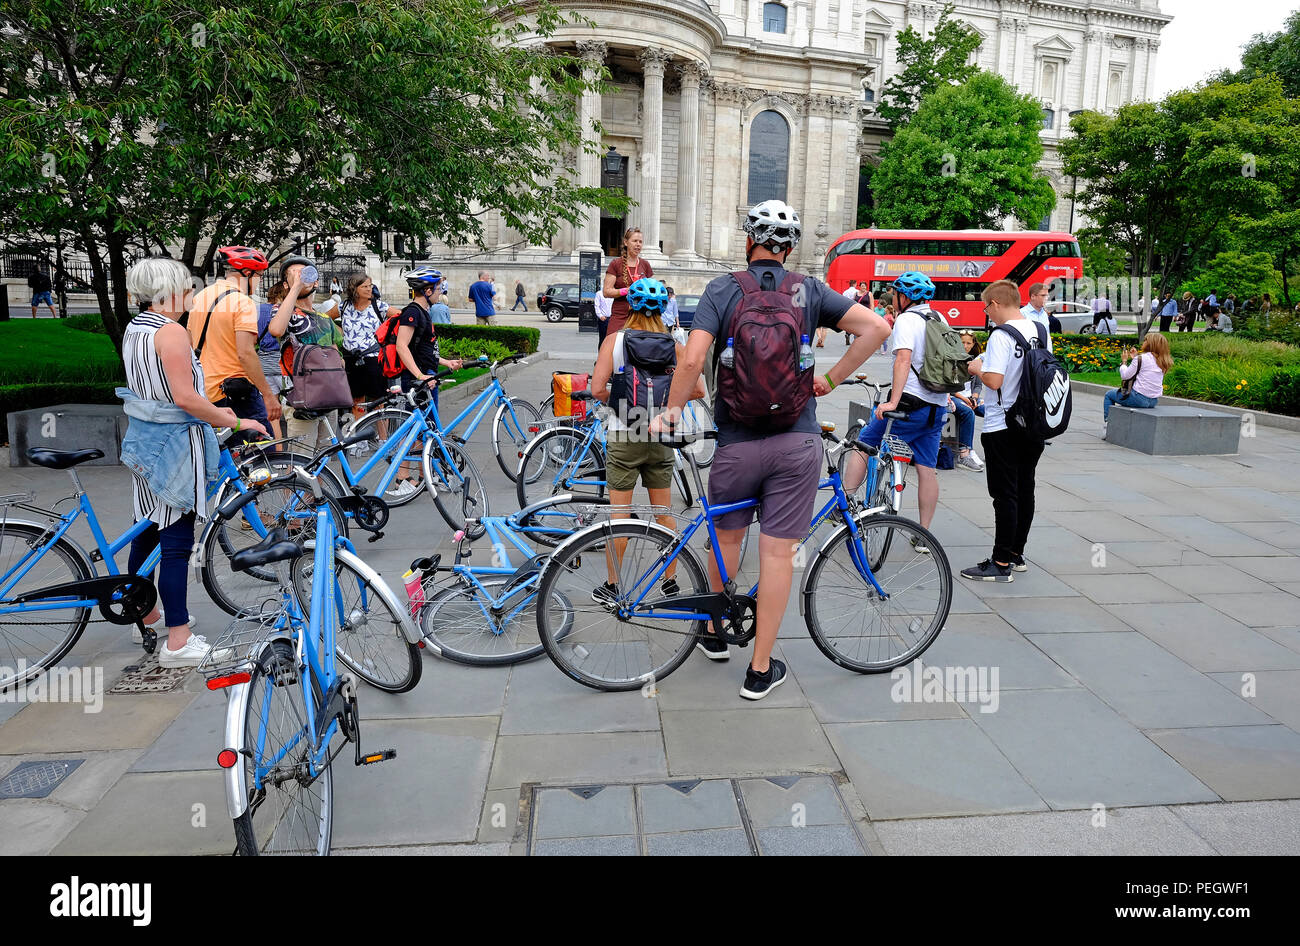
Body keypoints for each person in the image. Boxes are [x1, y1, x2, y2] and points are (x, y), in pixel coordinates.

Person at [654, 199, 889, 700]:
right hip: (796, 438)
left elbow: (693, 358)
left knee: (727, 538)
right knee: (778, 554)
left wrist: (672, 411)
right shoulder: (809, 291)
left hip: (737, 439)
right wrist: (829, 379)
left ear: (748, 242)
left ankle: (715, 634)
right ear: (790, 249)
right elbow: (877, 329)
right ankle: (759, 669)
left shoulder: (722, 289)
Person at [121, 257, 267, 666]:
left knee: (148, 530)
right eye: (185, 288)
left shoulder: (137, 328)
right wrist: (236, 419)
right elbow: (186, 398)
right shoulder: (170, 332)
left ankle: (144, 615)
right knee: (175, 542)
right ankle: (179, 640)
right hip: (175, 445)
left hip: (146, 441)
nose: (190, 295)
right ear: (168, 292)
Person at [590, 278, 707, 603]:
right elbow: (697, 390)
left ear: (631, 307)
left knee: (620, 515)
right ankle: (670, 579)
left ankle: (613, 586)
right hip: (660, 434)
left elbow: (598, 388)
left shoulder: (615, 341)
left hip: (624, 433)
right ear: (662, 309)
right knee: (662, 511)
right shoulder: (675, 346)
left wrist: (617, 396)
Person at [959, 280, 1051, 583]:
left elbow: (995, 381)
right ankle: (1016, 554)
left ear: (996, 303)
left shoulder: (1001, 335)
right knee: (1026, 488)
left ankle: (999, 563)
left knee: (1004, 495)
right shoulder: (1039, 330)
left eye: (987, 307)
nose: (987, 313)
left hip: (1004, 426)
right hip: (1034, 425)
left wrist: (975, 369)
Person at [852, 271, 950, 539]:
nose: (893, 300)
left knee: (864, 442)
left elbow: (903, 360)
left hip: (910, 404)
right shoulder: (939, 318)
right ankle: (924, 534)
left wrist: (892, 401)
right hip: (936, 405)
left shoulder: (907, 319)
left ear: (904, 297)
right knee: (927, 469)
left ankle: (845, 507)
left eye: (895, 294)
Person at [188, 245, 281, 443]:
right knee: (264, 455)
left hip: (205, 391)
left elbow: (190, 342)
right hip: (236, 394)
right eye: (259, 276)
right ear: (247, 273)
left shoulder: (200, 298)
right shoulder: (242, 302)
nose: (259, 281)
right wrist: (268, 395)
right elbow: (245, 353)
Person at [392, 266, 463, 495]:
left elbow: (425, 349)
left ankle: (427, 476)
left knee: (428, 430)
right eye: (439, 288)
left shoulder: (424, 312)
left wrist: (445, 363)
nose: (441, 293)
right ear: (428, 289)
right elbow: (401, 346)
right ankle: (402, 479)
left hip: (427, 378)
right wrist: (420, 376)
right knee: (413, 430)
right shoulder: (412, 312)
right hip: (417, 381)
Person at [339, 271, 390, 427]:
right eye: (365, 286)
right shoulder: (344, 306)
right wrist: (339, 332)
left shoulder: (378, 306)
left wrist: (385, 335)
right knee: (356, 400)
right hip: (351, 359)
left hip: (374, 358)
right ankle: (358, 440)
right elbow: (324, 318)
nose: (369, 289)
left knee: (378, 400)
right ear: (355, 289)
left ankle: (383, 441)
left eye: (370, 285)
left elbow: (400, 318)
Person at [1103, 333, 1171, 436]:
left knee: (1109, 395)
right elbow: (1147, 370)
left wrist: (1124, 362)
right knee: (1124, 399)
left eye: (1145, 340)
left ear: (1150, 344)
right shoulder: (1163, 361)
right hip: (1153, 401)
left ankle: (1108, 425)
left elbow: (1125, 375)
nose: (1143, 342)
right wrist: (1135, 357)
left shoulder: (1142, 359)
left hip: (1138, 398)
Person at [603, 227, 653, 339]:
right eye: (635, 241)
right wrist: (627, 290)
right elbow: (606, 292)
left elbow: (652, 290)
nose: (638, 244)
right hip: (620, 316)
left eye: (640, 242)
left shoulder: (645, 265)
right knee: (612, 348)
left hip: (641, 316)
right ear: (626, 242)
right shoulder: (616, 264)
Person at [950, 331, 984, 472]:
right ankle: (965, 453)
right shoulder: (952, 359)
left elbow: (977, 385)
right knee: (968, 412)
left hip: (970, 398)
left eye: (968, 343)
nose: (965, 345)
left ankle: (994, 448)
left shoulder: (975, 360)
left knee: (992, 410)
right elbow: (949, 387)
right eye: (962, 342)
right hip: (954, 397)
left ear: (973, 344)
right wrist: (965, 399)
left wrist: (975, 398)